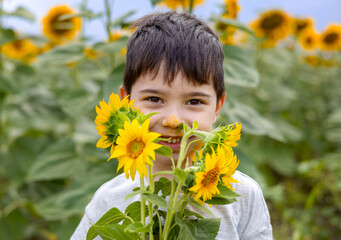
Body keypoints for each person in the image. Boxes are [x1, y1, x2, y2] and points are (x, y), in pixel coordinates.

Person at [71, 11, 273, 240]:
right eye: (154, 99)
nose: (173, 120)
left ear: (217, 107)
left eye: (194, 101)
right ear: (126, 102)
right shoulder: (110, 199)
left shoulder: (242, 195)